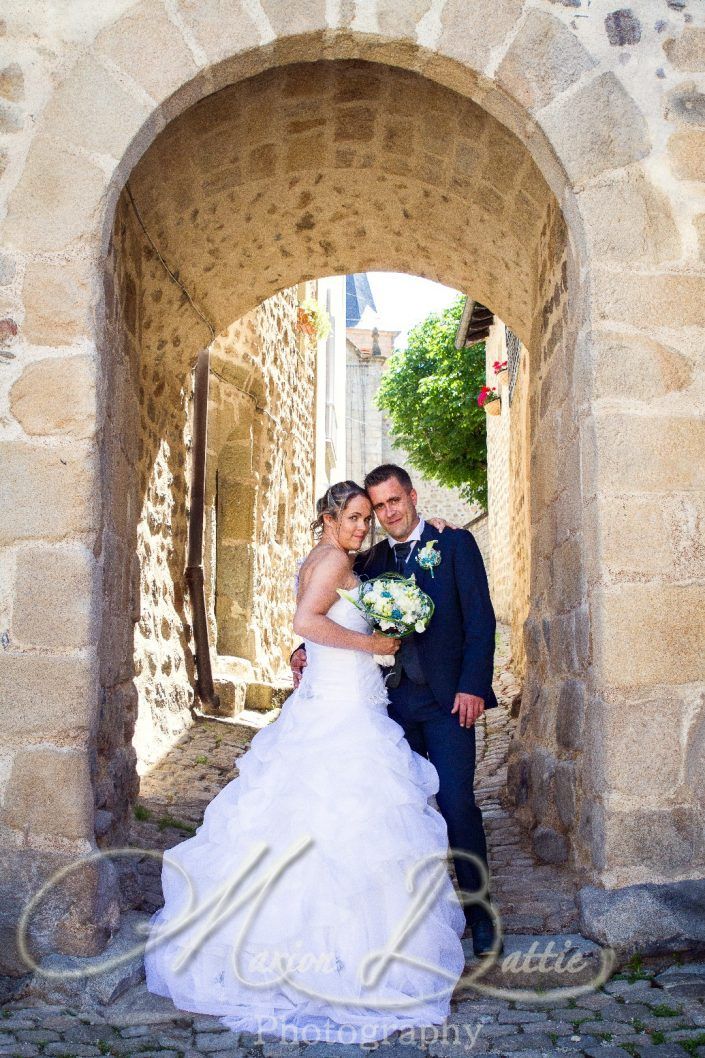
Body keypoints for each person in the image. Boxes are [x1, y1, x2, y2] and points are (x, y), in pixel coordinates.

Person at [143, 480, 467, 1044]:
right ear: (328, 518)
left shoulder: (333, 557)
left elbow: (315, 629)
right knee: (339, 822)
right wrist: (373, 646)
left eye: (368, 518)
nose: (362, 527)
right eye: (354, 517)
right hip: (340, 707)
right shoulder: (331, 560)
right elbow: (307, 623)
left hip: (343, 696)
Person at [291, 465, 502, 958]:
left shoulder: (455, 545)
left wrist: (473, 686)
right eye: (378, 508)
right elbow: (326, 601)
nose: (386, 514)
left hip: (450, 704)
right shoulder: (372, 557)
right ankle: (415, 917)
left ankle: (480, 911)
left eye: (393, 502)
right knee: (400, 814)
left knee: (456, 805)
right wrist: (302, 650)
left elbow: (481, 621)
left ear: (411, 496)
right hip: (394, 705)